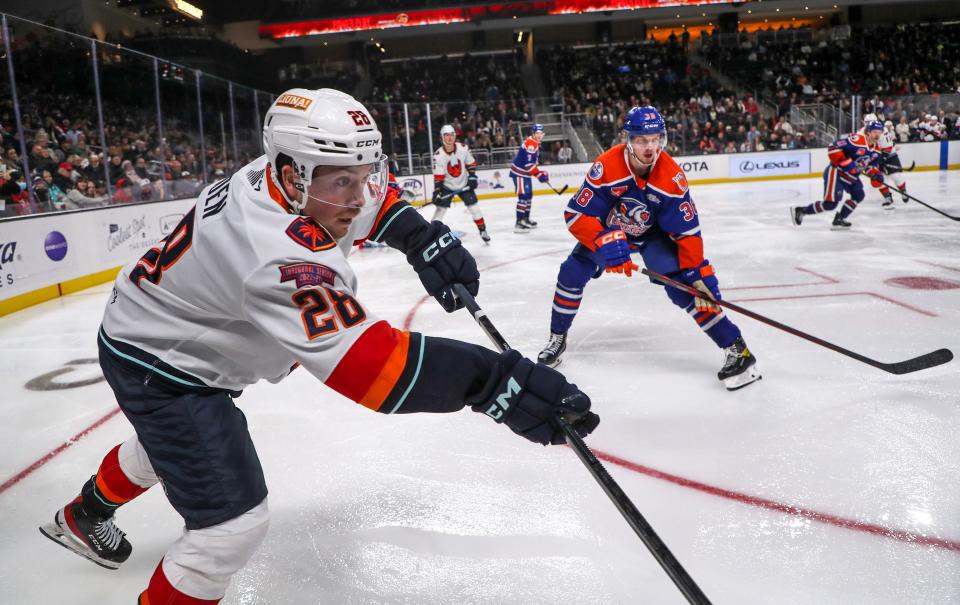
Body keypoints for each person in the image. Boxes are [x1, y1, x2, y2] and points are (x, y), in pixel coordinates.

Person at [38, 88, 599, 604]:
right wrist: (494, 382)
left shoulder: (281, 174)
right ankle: (90, 513)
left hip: (156, 331)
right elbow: (373, 371)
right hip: (160, 359)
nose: (358, 198)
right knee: (229, 525)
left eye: (365, 175)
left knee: (173, 446)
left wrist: (417, 234)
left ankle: (85, 514)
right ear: (291, 173)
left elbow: (362, 197)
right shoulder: (275, 251)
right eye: (341, 184)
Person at [536, 106, 761, 391]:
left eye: (656, 139)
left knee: (687, 289)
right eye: (643, 140)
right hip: (612, 232)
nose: (650, 147)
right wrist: (603, 238)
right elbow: (576, 215)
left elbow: (687, 232)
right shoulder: (607, 167)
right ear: (628, 140)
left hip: (653, 236)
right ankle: (558, 336)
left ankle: (736, 349)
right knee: (571, 272)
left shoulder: (671, 177)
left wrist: (697, 272)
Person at [791, 121, 886, 229]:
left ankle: (839, 219)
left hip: (851, 177)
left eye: (879, 132)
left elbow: (870, 167)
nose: (877, 135)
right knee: (830, 204)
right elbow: (833, 147)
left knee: (859, 195)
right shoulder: (857, 140)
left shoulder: (877, 151)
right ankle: (802, 210)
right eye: (874, 132)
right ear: (868, 132)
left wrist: (876, 175)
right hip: (836, 172)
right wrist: (848, 164)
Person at [431, 124, 490, 243]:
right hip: (447, 186)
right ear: (442, 137)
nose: (449, 138)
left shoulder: (463, 148)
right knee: (440, 210)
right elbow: (438, 178)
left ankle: (483, 230)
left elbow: (471, 163)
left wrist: (472, 177)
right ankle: (431, 235)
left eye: (452, 134)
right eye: (446, 135)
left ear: (455, 136)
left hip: (464, 184)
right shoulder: (438, 156)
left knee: (474, 208)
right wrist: (437, 191)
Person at [510, 123, 549, 233]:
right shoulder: (531, 144)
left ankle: (525, 219)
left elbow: (531, 164)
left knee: (529, 195)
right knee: (523, 196)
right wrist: (539, 175)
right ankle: (518, 223)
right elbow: (528, 165)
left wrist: (538, 173)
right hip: (519, 173)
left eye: (541, 133)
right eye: (537, 133)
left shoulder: (534, 142)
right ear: (533, 133)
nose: (539, 135)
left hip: (524, 173)